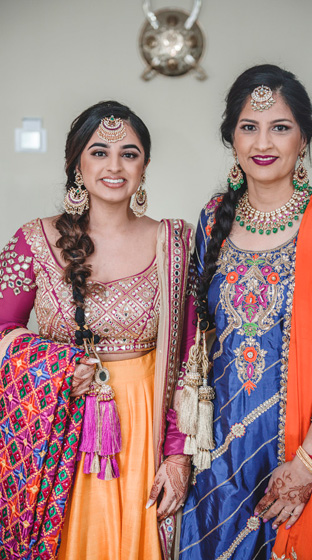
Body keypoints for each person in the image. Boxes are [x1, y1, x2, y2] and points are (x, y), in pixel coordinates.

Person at [178, 65, 312, 559]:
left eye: (279, 127)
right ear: (232, 138)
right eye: (249, 126)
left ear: (302, 138)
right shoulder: (211, 218)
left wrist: (307, 464)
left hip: (306, 450)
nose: (263, 141)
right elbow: (194, 338)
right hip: (217, 455)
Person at [0, 101, 196, 560]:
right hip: (58, 422)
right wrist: (57, 365)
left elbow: (191, 359)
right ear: (76, 164)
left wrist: (177, 455)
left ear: (145, 166)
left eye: (129, 153)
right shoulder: (32, 240)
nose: (114, 165)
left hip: (144, 426)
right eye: (99, 151)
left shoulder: (175, 242)